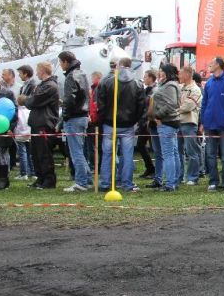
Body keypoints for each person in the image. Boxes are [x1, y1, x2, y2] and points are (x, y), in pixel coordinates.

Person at [96, 57, 146, 193]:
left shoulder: (107, 81)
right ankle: (127, 184)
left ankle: (105, 183)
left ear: (119, 65)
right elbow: (141, 105)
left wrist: (103, 117)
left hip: (109, 123)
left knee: (107, 154)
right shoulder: (137, 83)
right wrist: (134, 119)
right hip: (128, 124)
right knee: (128, 155)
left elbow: (100, 102)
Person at [200, 57, 224, 192]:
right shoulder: (209, 82)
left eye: (211, 63)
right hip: (210, 125)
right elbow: (204, 103)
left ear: (218, 65)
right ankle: (213, 182)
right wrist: (203, 121)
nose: (209, 65)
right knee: (210, 154)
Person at [57, 51, 93, 192]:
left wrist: (65, 115)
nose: (60, 65)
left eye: (60, 62)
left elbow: (70, 99)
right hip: (83, 116)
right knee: (81, 151)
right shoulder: (82, 74)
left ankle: (81, 182)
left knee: (76, 152)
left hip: (74, 117)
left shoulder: (71, 76)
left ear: (66, 61)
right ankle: (87, 179)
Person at [24, 63, 60, 189]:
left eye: (37, 70)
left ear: (42, 70)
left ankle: (49, 180)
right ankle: (40, 178)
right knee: (36, 153)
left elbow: (34, 100)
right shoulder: (42, 85)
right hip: (36, 122)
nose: (37, 73)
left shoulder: (50, 86)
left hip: (44, 123)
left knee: (44, 153)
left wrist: (25, 100)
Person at [151, 64, 182, 192]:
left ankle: (170, 183)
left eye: (162, 72)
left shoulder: (170, 86)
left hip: (167, 122)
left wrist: (158, 115)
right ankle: (174, 180)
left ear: (167, 73)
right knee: (173, 152)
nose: (160, 74)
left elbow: (171, 104)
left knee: (168, 154)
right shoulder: (170, 84)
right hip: (171, 122)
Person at [178, 65, 202, 185]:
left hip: (189, 123)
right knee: (178, 151)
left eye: (181, 74)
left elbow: (188, 106)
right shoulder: (180, 87)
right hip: (178, 122)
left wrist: (175, 110)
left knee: (192, 152)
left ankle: (193, 177)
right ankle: (180, 176)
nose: (179, 76)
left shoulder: (195, 90)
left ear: (187, 74)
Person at [137, 70, 157, 181]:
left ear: (151, 78)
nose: (144, 78)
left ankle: (153, 169)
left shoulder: (154, 90)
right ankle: (150, 167)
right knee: (141, 144)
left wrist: (147, 119)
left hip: (149, 121)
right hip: (143, 121)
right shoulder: (146, 90)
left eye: (145, 76)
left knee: (153, 147)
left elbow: (150, 106)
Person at [13, 95, 34, 180]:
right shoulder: (30, 110)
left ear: (18, 102)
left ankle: (23, 173)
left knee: (22, 154)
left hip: (20, 135)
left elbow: (15, 123)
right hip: (30, 134)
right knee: (30, 154)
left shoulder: (17, 111)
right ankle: (33, 173)